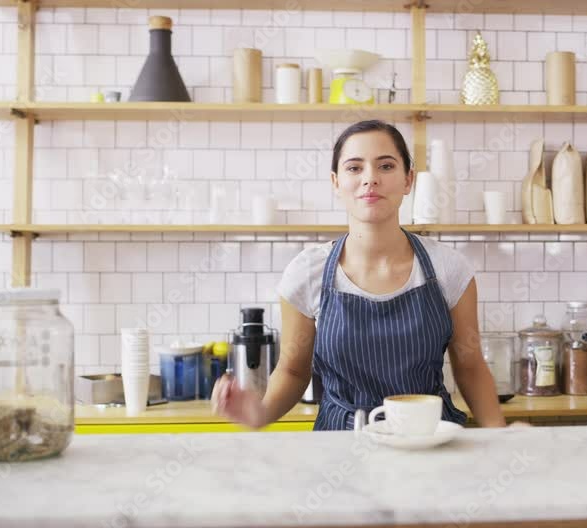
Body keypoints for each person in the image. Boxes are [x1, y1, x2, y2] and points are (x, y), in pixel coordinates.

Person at [212, 119, 506, 431]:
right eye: (354, 168)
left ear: (408, 180)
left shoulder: (449, 268)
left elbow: (471, 367)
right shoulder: (307, 273)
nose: (370, 179)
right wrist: (258, 414)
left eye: (386, 166)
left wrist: (499, 437)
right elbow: (293, 371)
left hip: (428, 437)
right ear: (336, 182)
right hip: (340, 442)